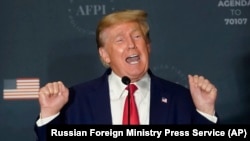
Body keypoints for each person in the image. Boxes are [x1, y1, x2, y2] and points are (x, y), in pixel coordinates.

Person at [34, 9, 218, 140]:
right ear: (105, 55)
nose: (131, 45)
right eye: (120, 40)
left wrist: (205, 111)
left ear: (148, 46)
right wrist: (50, 114)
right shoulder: (76, 101)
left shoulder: (180, 99)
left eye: (137, 37)